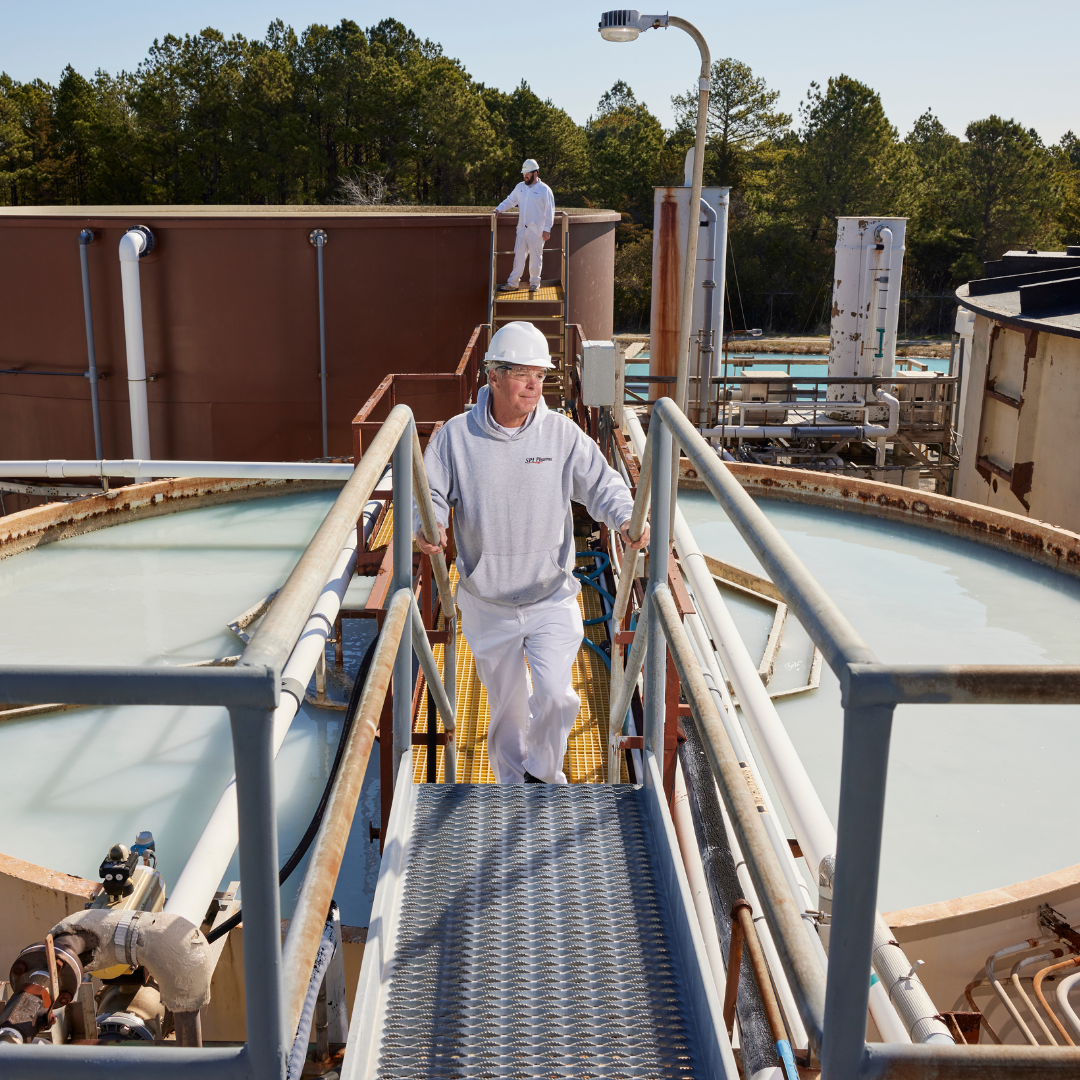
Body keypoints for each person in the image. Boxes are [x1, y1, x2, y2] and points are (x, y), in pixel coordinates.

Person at [415, 321, 649, 784]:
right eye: (522, 374)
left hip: (551, 597)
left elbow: (604, 485)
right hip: (489, 601)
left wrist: (625, 518)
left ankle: (544, 774)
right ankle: (510, 786)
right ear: (493, 376)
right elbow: (431, 496)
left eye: (540, 376)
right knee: (507, 708)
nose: (532, 386)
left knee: (558, 697)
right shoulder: (455, 439)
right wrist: (430, 526)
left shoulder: (560, 435)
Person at [494, 159, 555, 294]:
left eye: (527, 173)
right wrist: (498, 209)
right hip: (522, 229)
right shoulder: (520, 187)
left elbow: (550, 210)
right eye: (523, 173)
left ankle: (534, 283)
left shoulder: (545, 190)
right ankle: (513, 283)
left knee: (535, 257)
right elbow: (510, 201)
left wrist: (547, 229)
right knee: (519, 256)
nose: (525, 176)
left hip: (536, 230)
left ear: (535, 173)